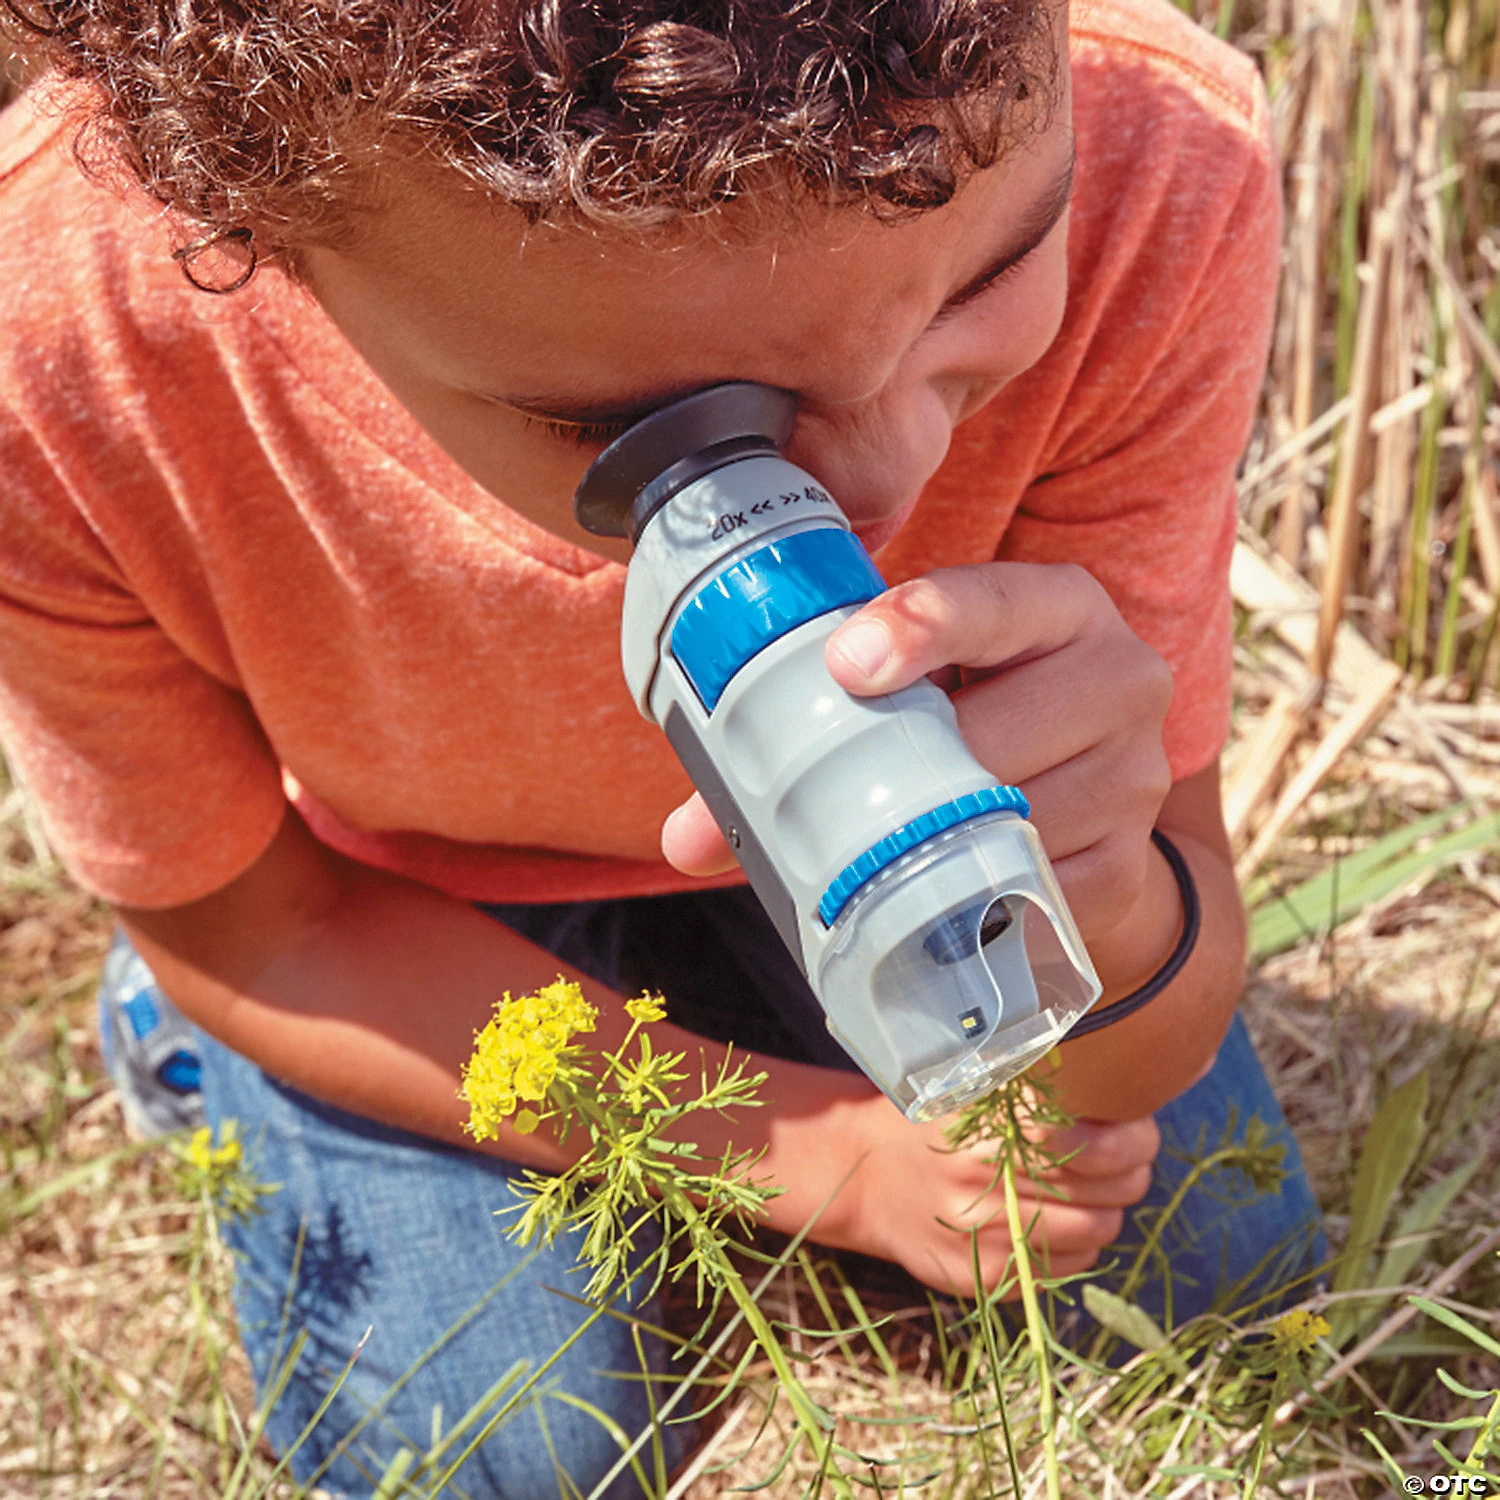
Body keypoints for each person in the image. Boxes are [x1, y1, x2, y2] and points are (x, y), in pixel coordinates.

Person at [0, 0, 1325, 1493]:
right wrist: (826, 1162)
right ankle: (175, 1033)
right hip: (404, 911)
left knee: (1219, 1275)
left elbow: (1154, 1011)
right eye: (644, 427)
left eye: (994, 273)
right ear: (256, 226)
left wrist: (1108, 899)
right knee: (502, 1458)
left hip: (895, 835)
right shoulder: (54, 345)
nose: (891, 480)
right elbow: (261, 935)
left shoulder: (1159, 168)